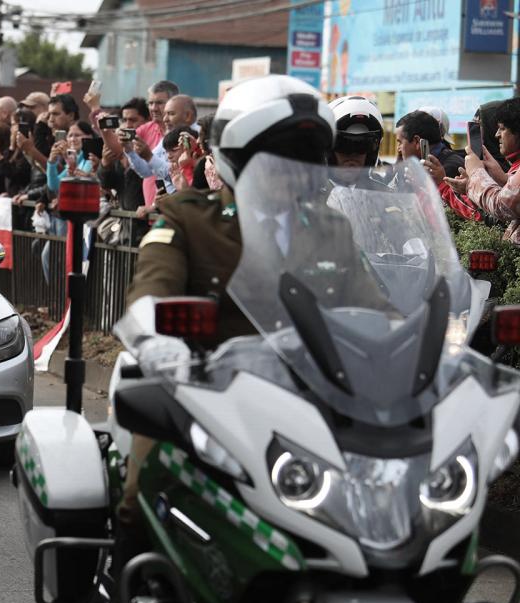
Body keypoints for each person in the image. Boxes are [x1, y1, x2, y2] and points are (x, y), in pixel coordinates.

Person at [115, 75, 382, 530]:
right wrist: (160, 342)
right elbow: (151, 287)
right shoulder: (188, 217)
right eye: (275, 158)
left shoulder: (328, 228)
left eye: (304, 159)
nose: (292, 171)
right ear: (237, 158)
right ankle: (132, 577)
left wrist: (421, 346)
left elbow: (373, 309)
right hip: (205, 395)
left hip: (312, 398)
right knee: (144, 489)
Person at [446, 97, 520, 241]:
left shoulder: (450, 163)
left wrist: (475, 174)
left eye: (502, 128)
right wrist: (502, 178)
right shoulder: (511, 168)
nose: (496, 134)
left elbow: (501, 207)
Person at [327, 95, 386, 189]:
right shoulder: (310, 194)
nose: (353, 155)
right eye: (344, 145)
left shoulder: (383, 195)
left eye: (362, 145)